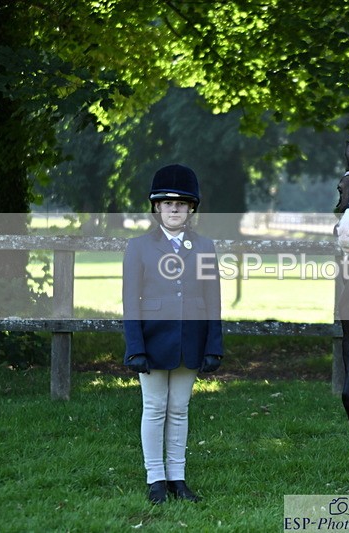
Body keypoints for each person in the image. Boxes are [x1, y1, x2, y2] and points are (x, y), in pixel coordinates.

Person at [122, 164, 224, 505]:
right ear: (156, 208)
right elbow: (130, 302)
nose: (174, 209)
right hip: (151, 342)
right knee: (154, 408)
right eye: (167, 203)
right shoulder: (138, 247)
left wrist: (214, 345)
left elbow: (213, 300)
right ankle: (156, 479)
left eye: (182, 203)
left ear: (192, 208)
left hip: (191, 342)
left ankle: (178, 477)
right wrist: (134, 347)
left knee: (179, 409)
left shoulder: (205, 247)